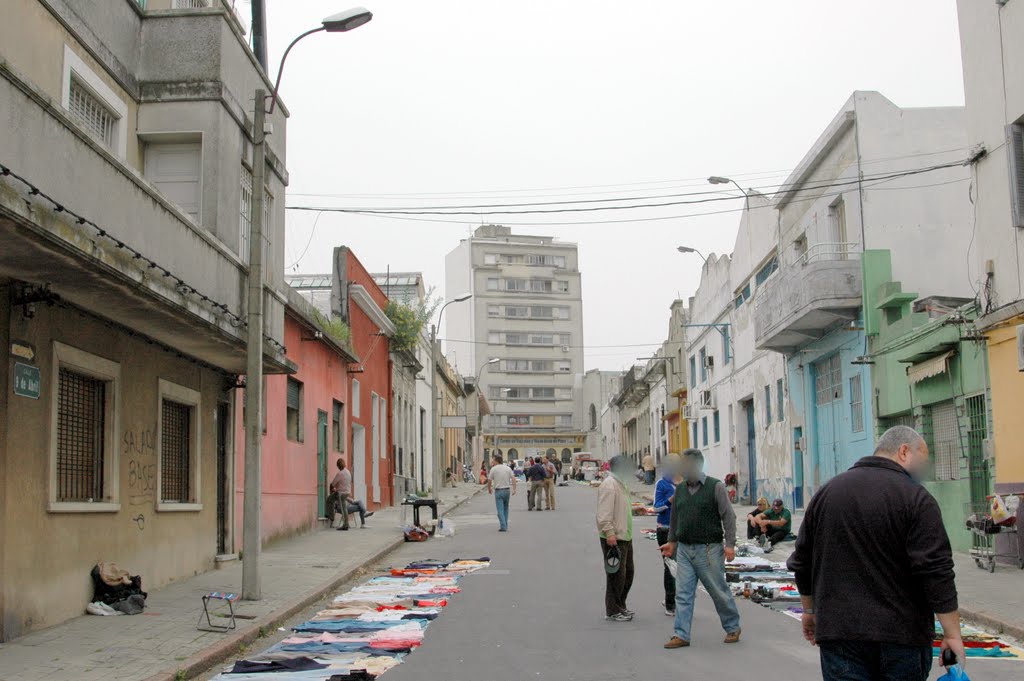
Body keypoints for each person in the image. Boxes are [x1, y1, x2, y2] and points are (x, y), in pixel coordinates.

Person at [787, 426, 963, 681]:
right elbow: (936, 570)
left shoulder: (827, 494)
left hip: (841, 634)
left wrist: (809, 610)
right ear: (904, 451)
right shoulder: (916, 498)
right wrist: (952, 634)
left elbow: (802, 562)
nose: (922, 473)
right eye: (922, 462)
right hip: (903, 637)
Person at [659, 448, 741, 649]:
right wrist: (672, 542)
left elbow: (728, 517)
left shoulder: (716, 487)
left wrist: (730, 545)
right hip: (685, 550)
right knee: (683, 592)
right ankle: (681, 634)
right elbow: (675, 517)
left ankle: (732, 626)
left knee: (718, 590)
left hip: (709, 549)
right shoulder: (680, 489)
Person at [596, 455, 636, 622]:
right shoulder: (610, 485)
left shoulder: (621, 484)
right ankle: (612, 610)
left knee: (628, 573)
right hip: (615, 536)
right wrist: (609, 532)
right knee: (616, 575)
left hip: (625, 535)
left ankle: (620, 605)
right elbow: (604, 514)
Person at [654, 454, 684, 616]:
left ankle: (679, 599)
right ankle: (670, 603)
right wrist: (670, 501)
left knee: (683, 567)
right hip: (665, 529)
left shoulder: (685, 482)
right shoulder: (662, 484)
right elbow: (656, 507)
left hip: (682, 530)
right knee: (670, 567)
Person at [487, 454, 517, 532]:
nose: (492, 461)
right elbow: (513, 478)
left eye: (493, 459)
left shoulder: (493, 469)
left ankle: (503, 526)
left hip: (499, 491)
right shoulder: (508, 468)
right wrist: (514, 489)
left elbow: (489, 480)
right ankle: (505, 525)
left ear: (496, 460)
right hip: (507, 491)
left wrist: (489, 488)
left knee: (500, 510)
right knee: (505, 509)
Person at [328, 458, 352, 531]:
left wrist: (332, 490)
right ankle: (346, 524)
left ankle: (331, 516)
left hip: (341, 493)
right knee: (344, 508)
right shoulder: (348, 472)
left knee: (329, 499)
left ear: (338, 466)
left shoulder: (340, 473)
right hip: (347, 492)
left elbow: (332, 484)